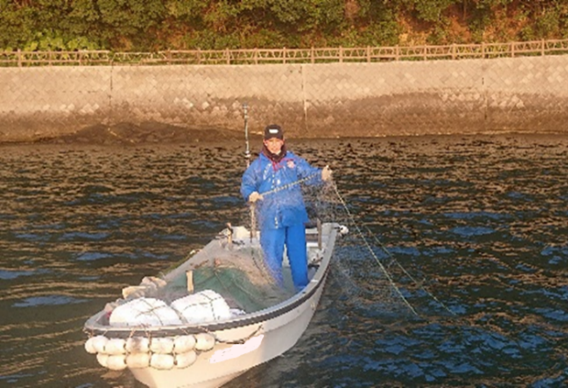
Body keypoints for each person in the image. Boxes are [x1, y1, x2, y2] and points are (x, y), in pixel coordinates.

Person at [241, 124, 332, 292]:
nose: (275, 145)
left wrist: (321, 175)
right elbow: (246, 184)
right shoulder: (257, 166)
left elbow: (308, 173)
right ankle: (275, 291)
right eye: (271, 141)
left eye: (277, 141)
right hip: (270, 218)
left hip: (294, 216)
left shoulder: (293, 161)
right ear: (265, 142)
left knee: (298, 254)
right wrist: (250, 194)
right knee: (272, 257)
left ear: (283, 141)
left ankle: (302, 288)